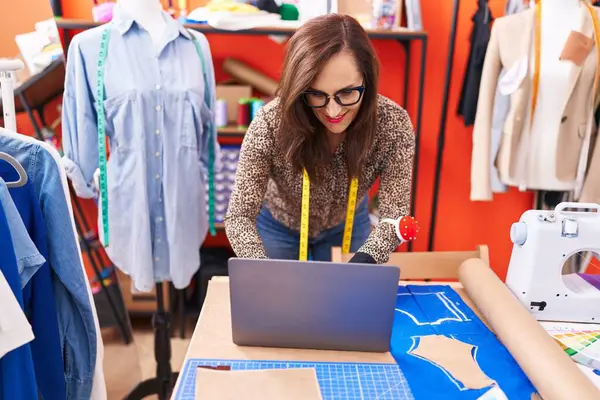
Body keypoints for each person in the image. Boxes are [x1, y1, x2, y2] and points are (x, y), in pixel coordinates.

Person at [224, 13, 416, 264]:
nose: (333, 111)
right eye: (316, 94)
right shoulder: (271, 123)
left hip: (346, 222)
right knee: (280, 301)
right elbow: (239, 216)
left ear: (367, 80)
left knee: (346, 299)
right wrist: (260, 267)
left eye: (347, 93)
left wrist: (365, 262)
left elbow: (395, 216)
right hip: (278, 224)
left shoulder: (393, 125)